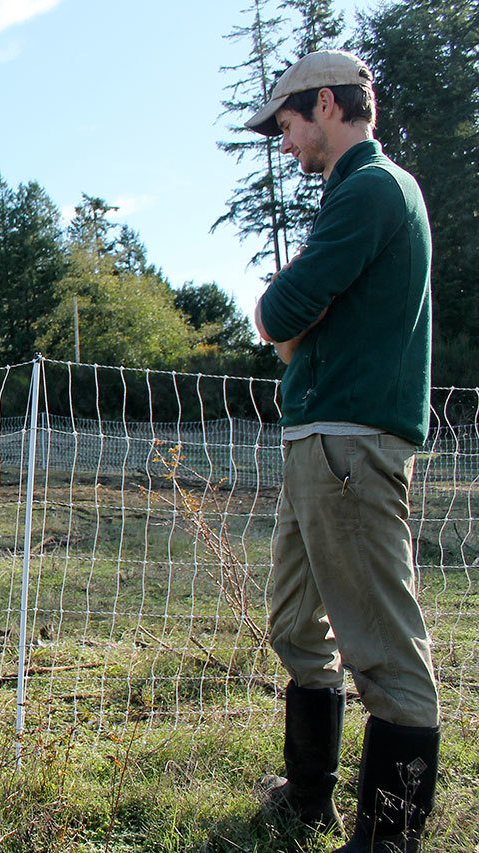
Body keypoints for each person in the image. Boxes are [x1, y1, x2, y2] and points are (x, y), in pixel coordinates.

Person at [247, 50, 439, 853]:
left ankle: (388, 838)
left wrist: (276, 317)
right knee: (298, 624)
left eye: (287, 126)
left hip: (350, 449)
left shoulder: (370, 188)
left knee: (384, 650)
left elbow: (281, 308)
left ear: (325, 104)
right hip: (319, 447)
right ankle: (308, 795)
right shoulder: (354, 195)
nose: (284, 144)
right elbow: (300, 318)